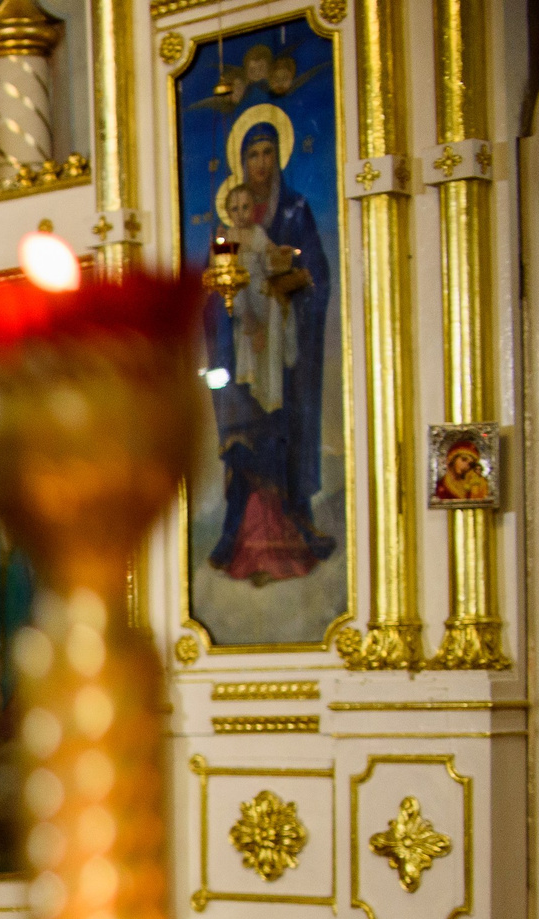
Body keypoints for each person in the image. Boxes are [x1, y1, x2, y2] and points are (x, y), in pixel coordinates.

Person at [204, 117, 333, 578]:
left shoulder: (295, 212)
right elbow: (213, 287)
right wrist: (235, 314)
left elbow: (315, 271)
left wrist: (291, 284)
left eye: (267, 153)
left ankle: (298, 523)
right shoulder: (226, 233)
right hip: (239, 352)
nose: (260, 163)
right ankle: (235, 528)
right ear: (241, 163)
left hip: (285, 347)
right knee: (243, 439)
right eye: (252, 154)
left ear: (278, 158)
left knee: (285, 434)